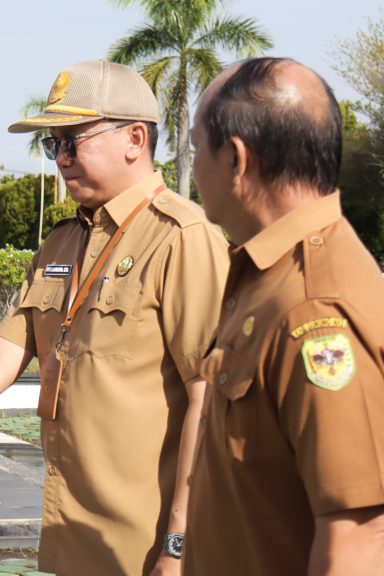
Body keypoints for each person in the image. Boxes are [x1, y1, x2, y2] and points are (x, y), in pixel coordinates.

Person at [0, 59, 230, 575]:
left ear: (134, 139)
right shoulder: (63, 241)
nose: (61, 158)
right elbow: (0, 356)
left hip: (145, 545)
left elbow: (209, 398)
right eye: (53, 144)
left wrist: (178, 545)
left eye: (73, 142)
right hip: (74, 533)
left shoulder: (181, 238)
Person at [185, 57, 384, 575]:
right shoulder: (267, 274)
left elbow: (358, 537)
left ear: (235, 159)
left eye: (195, 148)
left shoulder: (314, 308)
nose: (193, 168)